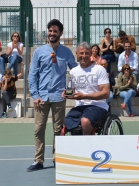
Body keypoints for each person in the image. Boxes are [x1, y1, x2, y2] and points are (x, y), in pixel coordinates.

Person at [27, 19, 77, 172]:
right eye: (50, 31)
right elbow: (32, 75)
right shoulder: (39, 52)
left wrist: (68, 91)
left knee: (58, 129)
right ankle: (38, 160)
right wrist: (35, 95)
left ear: (60, 33)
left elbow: (74, 73)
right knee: (39, 129)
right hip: (41, 97)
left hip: (59, 96)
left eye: (55, 31)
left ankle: (57, 158)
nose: (52, 34)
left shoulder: (67, 52)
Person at [63, 42, 110, 134]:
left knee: (85, 121)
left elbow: (106, 93)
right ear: (76, 54)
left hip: (98, 106)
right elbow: (70, 92)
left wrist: (84, 96)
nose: (84, 56)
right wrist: (66, 94)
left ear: (91, 54)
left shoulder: (99, 69)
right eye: (81, 53)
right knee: (63, 122)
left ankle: (87, 147)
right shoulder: (72, 72)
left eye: (86, 53)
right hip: (80, 107)